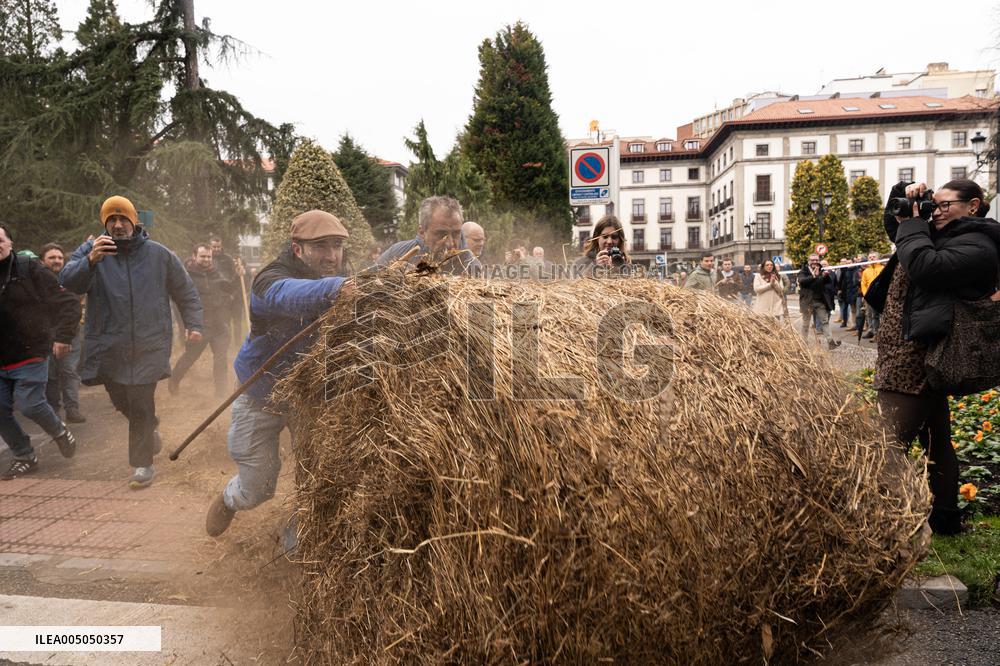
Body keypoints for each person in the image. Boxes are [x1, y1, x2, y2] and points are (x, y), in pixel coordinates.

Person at [206, 210, 352, 537]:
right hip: (260, 392)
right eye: (321, 246)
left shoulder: (344, 279)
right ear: (298, 249)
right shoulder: (270, 279)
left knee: (318, 476)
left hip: (310, 397)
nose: (332, 255)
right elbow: (288, 294)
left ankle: (299, 540)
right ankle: (231, 499)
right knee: (258, 486)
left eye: (337, 246)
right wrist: (337, 288)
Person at [872, 179, 1000, 535]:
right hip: (910, 350)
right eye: (934, 204)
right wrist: (907, 194)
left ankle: (886, 524)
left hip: (918, 357)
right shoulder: (941, 232)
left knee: (884, 444)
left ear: (973, 206)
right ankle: (943, 517)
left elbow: (925, 266)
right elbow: (898, 229)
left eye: (945, 205)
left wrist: (915, 224)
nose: (937, 212)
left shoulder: (979, 245)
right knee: (936, 441)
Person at [61, 196, 203, 489]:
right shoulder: (91, 250)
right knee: (119, 398)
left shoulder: (159, 255)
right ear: (105, 224)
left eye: (122, 218)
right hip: (109, 344)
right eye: (111, 219)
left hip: (149, 343)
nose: (117, 224)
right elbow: (67, 282)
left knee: (140, 401)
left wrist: (194, 324)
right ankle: (149, 427)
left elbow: (185, 291)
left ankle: (143, 465)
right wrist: (90, 261)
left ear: (133, 221)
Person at [0, 224, 82, 479]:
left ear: (10, 243)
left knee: (30, 404)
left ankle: (59, 431)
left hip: (31, 350)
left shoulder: (29, 269)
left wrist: (63, 337)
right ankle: (24, 455)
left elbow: (69, 303)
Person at [168, 244, 235, 398]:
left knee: (221, 359)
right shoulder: (186, 276)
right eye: (202, 256)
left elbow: (230, 288)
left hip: (219, 325)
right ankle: (174, 379)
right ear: (194, 256)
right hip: (199, 325)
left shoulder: (216, 273)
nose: (206, 259)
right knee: (190, 357)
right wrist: (187, 326)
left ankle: (221, 394)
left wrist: (238, 275)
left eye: (208, 256)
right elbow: (180, 303)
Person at [40, 243, 86, 424]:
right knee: (50, 374)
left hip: (70, 333)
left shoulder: (70, 277)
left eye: (59, 257)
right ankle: (53, 412)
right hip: (45, 333)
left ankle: (72, 409)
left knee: (69, 370)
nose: (57, 261)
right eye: (52, 257)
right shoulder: (37, 280)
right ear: (42, 261)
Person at [377, 196, 476, 274]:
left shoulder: (471, 265)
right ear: (422, 232)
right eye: (441, 233)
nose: (450, 243)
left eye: (456, 233)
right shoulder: (397, 254)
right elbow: (370, 282)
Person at [797, 254, 840, 350]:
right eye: (812, 260)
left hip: (819, 301)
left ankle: (831, 343)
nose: (815, 262)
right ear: (808, 261)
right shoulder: (803, 271)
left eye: (816, 260)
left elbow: (827, 283)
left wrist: (826, 277)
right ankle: (803, 344)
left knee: (825, 321)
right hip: (807, 301)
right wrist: (813, 276)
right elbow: (802, 281)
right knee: (806, 323)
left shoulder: (821, 270)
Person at [210, 236, 244, 348]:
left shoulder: (227, 259)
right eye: (214, 247)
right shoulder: (209, 260)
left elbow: (235, 276)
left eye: (218, 246)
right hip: (220, 297)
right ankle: (226, 345)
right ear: (210, 246)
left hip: (233, 294)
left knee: (237, 322)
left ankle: (238, 344)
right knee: (225, 322)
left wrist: (233, 293)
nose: (216, 249)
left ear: (221, 246)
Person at [859, 251, 884, 339]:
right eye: (870, 257)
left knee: (882, 315)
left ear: (878, 258)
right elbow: (863, 284)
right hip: (870, 297)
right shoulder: (866, 271)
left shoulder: (883, 268)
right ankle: (875, 333)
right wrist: (866, 295)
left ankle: (883, 333)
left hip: (881, 296)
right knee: (871, 315)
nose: (872, 258)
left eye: (874, 257)